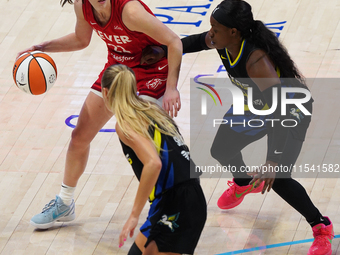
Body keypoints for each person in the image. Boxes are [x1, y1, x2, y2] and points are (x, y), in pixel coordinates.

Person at [145, 0, 334, 254]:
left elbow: (279, 111)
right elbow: (194, 42)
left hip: (289, 112)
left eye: (215, 29)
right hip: (257, 105)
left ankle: (321, 226)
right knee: (221, 149)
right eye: (211, 27)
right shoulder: (222, 40)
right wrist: (163, 50)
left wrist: (271, 161)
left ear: (234, 32)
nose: (210, 33)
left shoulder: (256, 61)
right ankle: (244, 182)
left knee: (277, 178)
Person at [18, 0, 183, 229]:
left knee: (143, 143)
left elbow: (174, 41)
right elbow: (80, 39)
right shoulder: (83, 7)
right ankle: (64, 203)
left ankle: (171, 205)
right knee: (79, 137)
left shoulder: (130, 10)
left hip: (151, 72)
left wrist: (172, 87)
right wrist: (42, 47)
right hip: (117, 70)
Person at [101, 64, 206, 254]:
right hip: (191, 195)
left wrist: (134, 215)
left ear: (105, 92)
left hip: (175, 201)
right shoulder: (152, 109)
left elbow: (153, 163)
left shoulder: (125, 123)